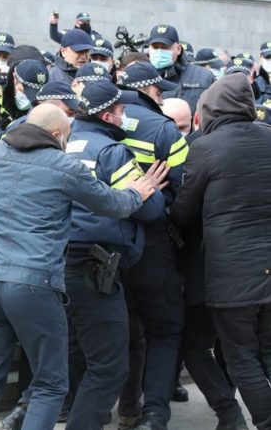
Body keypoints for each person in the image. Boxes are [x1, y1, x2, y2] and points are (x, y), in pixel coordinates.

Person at [0, 102, 156, 430]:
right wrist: (136, 193)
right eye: (67, 137)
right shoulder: (64, 166)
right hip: (35, 285)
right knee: (49, 384)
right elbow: (112, 205)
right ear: (56, 134)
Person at [63, 81, 166, 430]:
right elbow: (150, 210)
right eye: (122, 110)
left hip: (55, 263)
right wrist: (149, 188)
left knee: (74, 356)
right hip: (95, 267)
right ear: (108, 115)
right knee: (109, 365)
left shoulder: (61, 141)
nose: (126, 116)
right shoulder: (110, 152)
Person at [171, 73, 269, 430]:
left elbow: (183, 211)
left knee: (240, 356)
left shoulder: (206, 147)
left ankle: (255, 420)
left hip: (230, 275)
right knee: (265, 355)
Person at [116, 61, 188, 430]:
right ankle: (154, 413)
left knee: (125, 328)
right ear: (153, 92)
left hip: (106, 240)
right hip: (153, 242)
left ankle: (126, 406)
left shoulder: (93, 122)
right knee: (163, 328)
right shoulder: (163, 129)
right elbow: (182, 191)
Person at [147, 24, 214, 114]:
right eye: (155, 47)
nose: (159, 51)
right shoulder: (139, 75)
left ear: (178, 49)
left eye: (165, 47)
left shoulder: (203, 76)